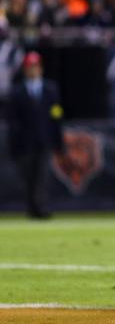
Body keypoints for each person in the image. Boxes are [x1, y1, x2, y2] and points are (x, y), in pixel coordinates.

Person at [8, 51, 63, 219]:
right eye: (30, 67)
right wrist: (15, 141)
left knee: (43, 176)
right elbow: (13, 120)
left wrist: (57, 140)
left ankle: (42, 208)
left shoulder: (50, 90)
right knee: (28, 176)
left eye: (35, 67)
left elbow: (56, 116)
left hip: (44, 140)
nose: (33, 70)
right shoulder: (17, 92)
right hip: (25, 142)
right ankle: (32, 208)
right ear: (25, 70)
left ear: (41, 68)